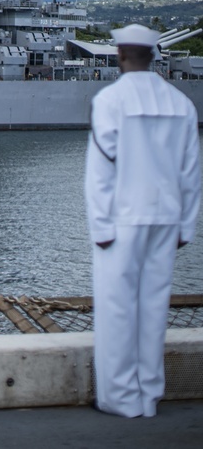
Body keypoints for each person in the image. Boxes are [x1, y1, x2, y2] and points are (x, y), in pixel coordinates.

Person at [85, 23, 200, 419]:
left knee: (116, 309)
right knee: (154, 310)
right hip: (166, 220)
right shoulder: (181, 104)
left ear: (119, 56)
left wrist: (100, 227)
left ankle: (119, 398)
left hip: (122, 221)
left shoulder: (109, 101)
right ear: (153, 56)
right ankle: (149, 395)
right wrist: (187, 226)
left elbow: (100, 173)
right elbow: (191, 173)